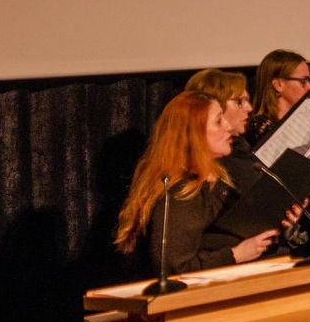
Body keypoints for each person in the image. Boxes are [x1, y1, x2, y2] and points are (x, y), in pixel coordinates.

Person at [113, 91, 282, 275]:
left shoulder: (221, 176)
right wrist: (235, 255)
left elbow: (226, 233)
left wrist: (280, 224)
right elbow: (173, 267)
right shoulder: (182, 193)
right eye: (219, 121)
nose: (228, 126)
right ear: (194, 134)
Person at [248, 49, 310, 142]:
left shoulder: (306, 121)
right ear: (278, 85)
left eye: (309, 80)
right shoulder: (262, 127)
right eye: (303, 81)